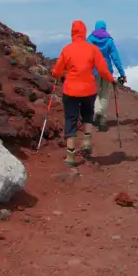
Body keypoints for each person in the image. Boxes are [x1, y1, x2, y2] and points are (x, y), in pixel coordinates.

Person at [51, 20, 116, 167]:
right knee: (87, 115)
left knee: (71, 119)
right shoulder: (92, 49)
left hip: (71, 91)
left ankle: (71, 156)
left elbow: (57, 70)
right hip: (89, 90)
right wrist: (111, 80)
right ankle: (86, 142)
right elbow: (103, 69)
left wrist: (56, 74)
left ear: (72, 32)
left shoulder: (67, 49)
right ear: (85, 32)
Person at [87, 20, 126, 131]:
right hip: (106, 71)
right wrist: (122, 73)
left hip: (93, 70)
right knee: (104, 95)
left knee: (94, 94)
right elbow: (115, 58)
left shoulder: (89, 39)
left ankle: (98, 111)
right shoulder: (109, 40)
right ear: (104, 28)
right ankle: (102, 120)